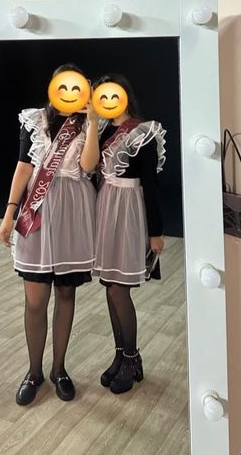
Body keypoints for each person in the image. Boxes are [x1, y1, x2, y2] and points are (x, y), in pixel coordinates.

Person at [0, 64, 99, 406]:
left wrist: (93, 121)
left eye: (76, 86)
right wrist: (10, 211)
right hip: (38, 212)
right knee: (35, 300)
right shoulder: (35, 120)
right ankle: (33, 372)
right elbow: (24, 167)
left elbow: (88, 166)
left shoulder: (88, 123)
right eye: (63, 85)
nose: (69, 93)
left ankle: (59, 370)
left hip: (73, 212)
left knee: (66, 294)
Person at [92, 74, 166, 394]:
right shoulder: (101, 130)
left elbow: (151, 184)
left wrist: (155, 231)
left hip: (129, 208)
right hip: (106, 206)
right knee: (110, 287)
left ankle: (133, 358)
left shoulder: (142, 132)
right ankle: (121, 355)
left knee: (119, 290)